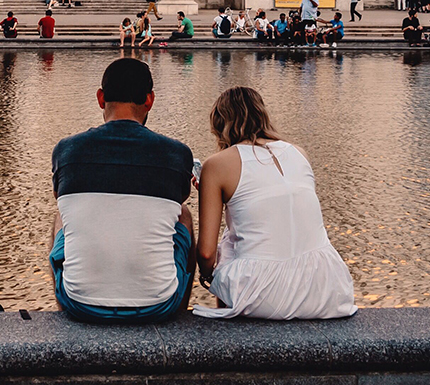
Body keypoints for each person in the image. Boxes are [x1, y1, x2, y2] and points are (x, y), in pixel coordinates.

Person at [49, 58, 195, 323]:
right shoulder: (177, 154)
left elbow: (62, 197)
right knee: (183, 214)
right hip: (159, 305)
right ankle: (180, 316)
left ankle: (64, 313)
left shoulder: (67, 151)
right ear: (149, 100)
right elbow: (177, 200)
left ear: (100, 97)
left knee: (61, 215)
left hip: (80, 304)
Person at [192, 87, 354, 320]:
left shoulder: (216, 165)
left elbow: (206, 253)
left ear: (220, 123)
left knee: (228, 245)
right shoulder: (299, 153)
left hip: (262, 296)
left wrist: (208, 278)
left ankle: (229, 337)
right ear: (263, 115)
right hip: (327, 287)